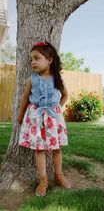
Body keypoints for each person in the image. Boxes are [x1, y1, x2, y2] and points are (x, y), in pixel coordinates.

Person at [17, 41, 71, 196]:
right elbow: (25, 99)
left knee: (56, 148)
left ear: (49, 60)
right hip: (36, 118)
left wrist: (58, 108)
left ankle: (58, 176)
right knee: (39, 149)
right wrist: (20, 115)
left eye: (36, 58)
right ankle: (43, 180)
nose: (32, 62)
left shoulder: (57, 79)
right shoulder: (31, 80)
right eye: (31, 59)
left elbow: (66, 95)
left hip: (53, 119)